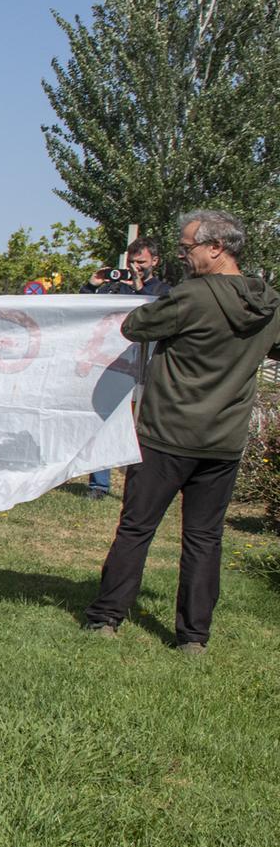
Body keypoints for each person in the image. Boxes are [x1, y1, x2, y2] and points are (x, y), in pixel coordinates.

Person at [83, 210, 278, 652]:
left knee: (136, 528)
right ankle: (194, 637)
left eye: (187, 247)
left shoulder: (192, 297)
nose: (183, 256)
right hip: (224, 442)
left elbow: (134, 326)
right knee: (205, 539)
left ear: (216, 248)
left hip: (167, 434)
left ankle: (107, 616)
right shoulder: (269, 304)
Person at [79, 236, 172, 496]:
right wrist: (92, 284)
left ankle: (141, 484)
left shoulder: (164, 291)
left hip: (147, 371)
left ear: (155, 261)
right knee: (104, 424)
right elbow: (82, 312)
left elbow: (157, 316)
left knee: (142, 430)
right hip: (113, 367)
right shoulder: (115, 290)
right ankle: (98, 484)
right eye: (131, 262)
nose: (135, 267)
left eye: (141, 262)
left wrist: (140, 286)